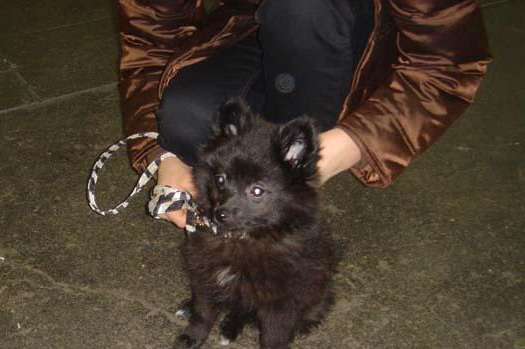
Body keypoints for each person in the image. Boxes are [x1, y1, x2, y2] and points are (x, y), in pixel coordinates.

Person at [116, 0, 491, 228]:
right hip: (255, 18)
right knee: (184, 124)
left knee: (301, 9)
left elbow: (447, 64)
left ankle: (313, 116)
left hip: (349, 30)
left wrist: (352, 143)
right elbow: (151, 42)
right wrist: (162, 155)